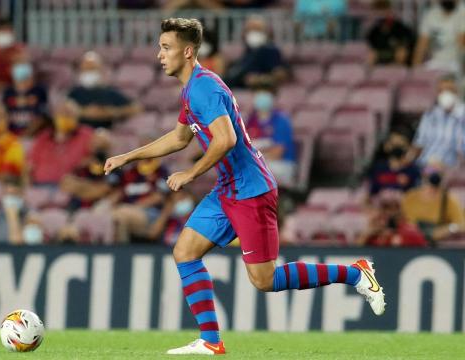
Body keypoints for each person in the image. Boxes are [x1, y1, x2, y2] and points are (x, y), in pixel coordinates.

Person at [104, 18, 385, 355]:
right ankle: (210, 340)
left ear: (188, 51)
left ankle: (355, 273)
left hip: (251, 190)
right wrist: (128, 157)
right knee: (185, 252)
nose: (159, 54)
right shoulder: (192, 89)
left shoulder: (204, 88)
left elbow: (226, 139)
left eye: (166, 47)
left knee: (265, 280)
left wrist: (190, 174)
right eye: (160, 46)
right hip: (228, 189)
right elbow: (180, 137)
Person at [67, 51, 141, 129]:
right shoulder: (75, 93)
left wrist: (110, 112)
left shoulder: (110, 92)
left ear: (101, 70)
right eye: (85, 70)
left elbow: (136, 108)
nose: (88, 73)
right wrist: (84, 112)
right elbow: (62, 110)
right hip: (80, 133)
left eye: (92, 69)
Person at [28, 101, 95, 185]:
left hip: (73, 187)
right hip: (41, 186)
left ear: (77, 117)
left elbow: (96, 158)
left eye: (69, 114)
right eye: (61, 114)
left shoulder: (86, 135)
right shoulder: (44, 136)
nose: (65, 117)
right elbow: (30, 164)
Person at [245, 83, 297, 187]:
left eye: (265, 94)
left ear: (273, 98)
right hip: (258, 163)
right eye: (258, 94)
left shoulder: (281, 120)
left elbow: (277, 153)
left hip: (281, 164)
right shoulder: (251, 120)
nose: (261, 97)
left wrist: (255, 157)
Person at [411, 74, 465, 168]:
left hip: (452, 167)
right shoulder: (429, 115)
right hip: (425, 163)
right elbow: (419, 143)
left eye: (449, 90)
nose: (445, 93)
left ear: (457, 91)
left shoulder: (462, 115)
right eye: (441, 91)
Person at [401, 167, 465, 243]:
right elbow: (402, 219)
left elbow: (461, 224)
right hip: (413, 235)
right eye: (428, 186)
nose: (431, 190)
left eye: (435, 188)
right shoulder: (410, 197)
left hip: (437, 237)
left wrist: (449, 229)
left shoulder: (448, 200)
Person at [223, 15, 287, 89]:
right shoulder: (247, 52)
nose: (253, 33)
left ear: (266, 32)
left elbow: (279, 73)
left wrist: (259, 79)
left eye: (257, 29)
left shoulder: (270, 50)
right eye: (250, 30)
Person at [412, 0, 465, 73]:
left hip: (455, 63)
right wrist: (414, 71)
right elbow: (421, 45)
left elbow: (462, 44)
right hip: (434, 63)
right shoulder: (431, 14)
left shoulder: (463, 12)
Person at [368, 129, 421, 197]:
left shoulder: (414, 170)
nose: (396, 149)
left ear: (409, 147)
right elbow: (371, 194)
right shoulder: (378, 168)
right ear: (386, 145)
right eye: (393, 144)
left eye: (400, 146)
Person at [2, 60, 49, 137]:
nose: (23, 82)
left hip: (34, 135)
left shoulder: (39, 91)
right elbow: (3, 116)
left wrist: (26, 134)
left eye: (27, 78)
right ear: (14, 80)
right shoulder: (8, 93)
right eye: (20, 79)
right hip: (12, 135)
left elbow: (42, 117)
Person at [0, 177, 29, 245]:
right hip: (1, 251)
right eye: (8, 194)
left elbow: (17, 242)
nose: (10, 197)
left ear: (22, 195)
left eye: (14, 194)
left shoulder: (29, 213)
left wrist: (12, 215)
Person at [366, 0, 416, 66]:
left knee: (401, 54)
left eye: (383, 10)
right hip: (381, 65)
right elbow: (373, 52)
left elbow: (406, 52)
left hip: (400, 66)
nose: (381, 14)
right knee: (370, 56)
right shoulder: (373, 32)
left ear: (389, 10)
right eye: (378, 11)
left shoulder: (402, 29)